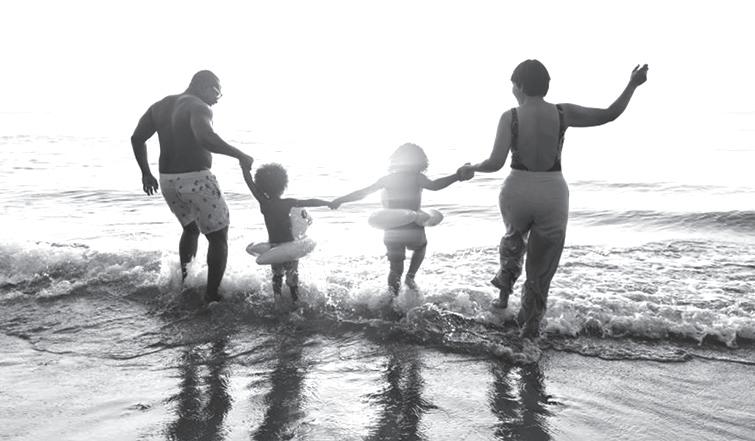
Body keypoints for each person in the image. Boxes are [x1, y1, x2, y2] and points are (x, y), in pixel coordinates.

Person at [458, 60, 648, 337]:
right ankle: (531, 325)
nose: (512, 90)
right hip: (552, 192)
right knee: (541, 265)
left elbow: (495, 163)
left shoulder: (510, 116)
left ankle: (502, 298)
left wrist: (472, 167)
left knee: (513, 241)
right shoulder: (562, 112)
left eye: (513, 85)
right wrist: (632, 84)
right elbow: (609, 114)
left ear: (520, 85)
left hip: (517, 190)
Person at [130, 70, 254, 303]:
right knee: (218, 238)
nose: (218, 98)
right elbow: (206, 138)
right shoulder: (199, 106)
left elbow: (137, 138)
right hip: (197, 180)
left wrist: (146, 173)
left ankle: (187, 283)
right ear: (204, 85)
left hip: (167, 181)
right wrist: (240, 154)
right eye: (217, 91)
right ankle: (212, 296)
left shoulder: (160, 106)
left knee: (191, 230)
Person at [332, 143, 471, 295]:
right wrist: (457, 176)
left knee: (395, 269)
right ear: (420, 161)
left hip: (392, 229)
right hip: (413, 227)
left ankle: (391, 299)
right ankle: (410, 277)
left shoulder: (387, 179)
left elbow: (362, 193)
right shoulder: (417, 178)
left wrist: (340, 200)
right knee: (421, 246)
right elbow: (436, 185)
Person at [241, 163, 335, 302]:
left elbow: (250, 184)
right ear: (283, 185)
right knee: (292, 276)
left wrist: (244, 167)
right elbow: (310, 202)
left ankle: (277, 301)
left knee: (277, 275)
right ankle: (295, 301)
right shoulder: (288, 203)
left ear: (261, 186)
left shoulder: (264, 203)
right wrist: (328, 203)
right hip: (290, 245)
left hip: (274, 246)